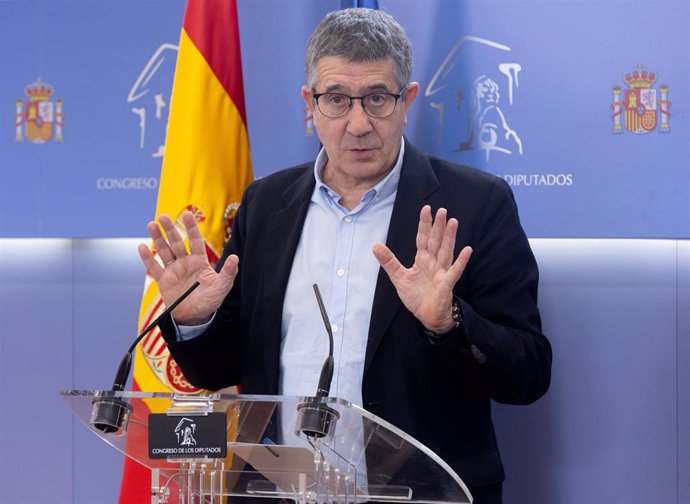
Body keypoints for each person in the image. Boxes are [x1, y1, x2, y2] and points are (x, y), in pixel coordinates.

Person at [138, 8, 551, 503]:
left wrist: (448, 322)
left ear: (407, 101)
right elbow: (217, 371)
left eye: (377, 98)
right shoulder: (265, 205)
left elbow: (528, 372)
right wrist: (195, 320)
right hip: (277, 493)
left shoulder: (475, 203)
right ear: (309, 104)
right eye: (336, 99)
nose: (358, 124)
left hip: (422, 496)